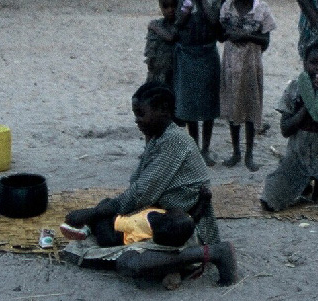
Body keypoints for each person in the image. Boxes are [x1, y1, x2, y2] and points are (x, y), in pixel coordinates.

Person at [58, 81, 234, 286]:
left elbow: (141, 193)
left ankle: (210, 253)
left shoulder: (175, 142)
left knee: (128, 263)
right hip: (159, 217)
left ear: (164, 111)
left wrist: (91, 213)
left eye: (141, 114)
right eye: (135, 114)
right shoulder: (159, 139)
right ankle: (171, 266)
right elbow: (138, 189)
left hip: (181, 228)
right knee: (107, 220)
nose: (136, 121)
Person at [260, 43, 318, 211]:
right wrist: (307, 106)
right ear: (304, 63)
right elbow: (285, 130)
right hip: (298, 155)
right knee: (269, 202)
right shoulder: (294, 89)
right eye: (314, 62)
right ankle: (304, 182)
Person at [219, 0, 275, 171]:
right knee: (234, 109)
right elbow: (221, 34)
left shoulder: (262, 10)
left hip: (252, 64)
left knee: (251, 107)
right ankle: (236, 152)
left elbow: (265, 41)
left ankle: (249, 154)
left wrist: (246, 35)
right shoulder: (227, 8)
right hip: (231, 65)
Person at [174, 0, 224, 165]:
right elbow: (178, 22)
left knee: (209, 104)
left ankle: (206, 148)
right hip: (188, 55)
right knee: (192, 105)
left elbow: (214, 22)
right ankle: (195, 148)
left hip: (208, 54)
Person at [144, 0, 179, 87]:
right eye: (165, 6)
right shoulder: (156, 24)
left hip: (176, 77)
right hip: (157, 75)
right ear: (160, 6)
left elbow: (171, 37)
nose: (170, 10)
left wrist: (156, 28)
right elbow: (150, 53)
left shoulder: (181, 25)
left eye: (174, 6)